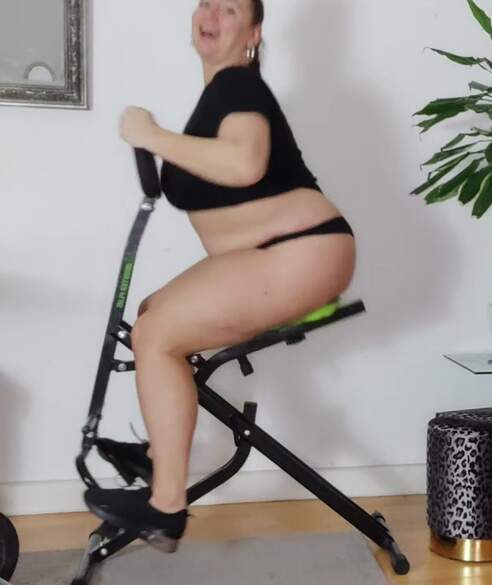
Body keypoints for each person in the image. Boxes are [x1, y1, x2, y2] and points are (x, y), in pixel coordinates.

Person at [85, 0, 356, 552]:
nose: (210, 13)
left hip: (302, 249)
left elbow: (242, 165)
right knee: (152, 314)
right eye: (205, 2)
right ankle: (158, 457)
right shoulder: (220, 97)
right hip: (276, 253)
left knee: (156, 336)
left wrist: (151, 134)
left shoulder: (239, 86)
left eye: (229, 9)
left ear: (253, 33)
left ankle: (166, 508)